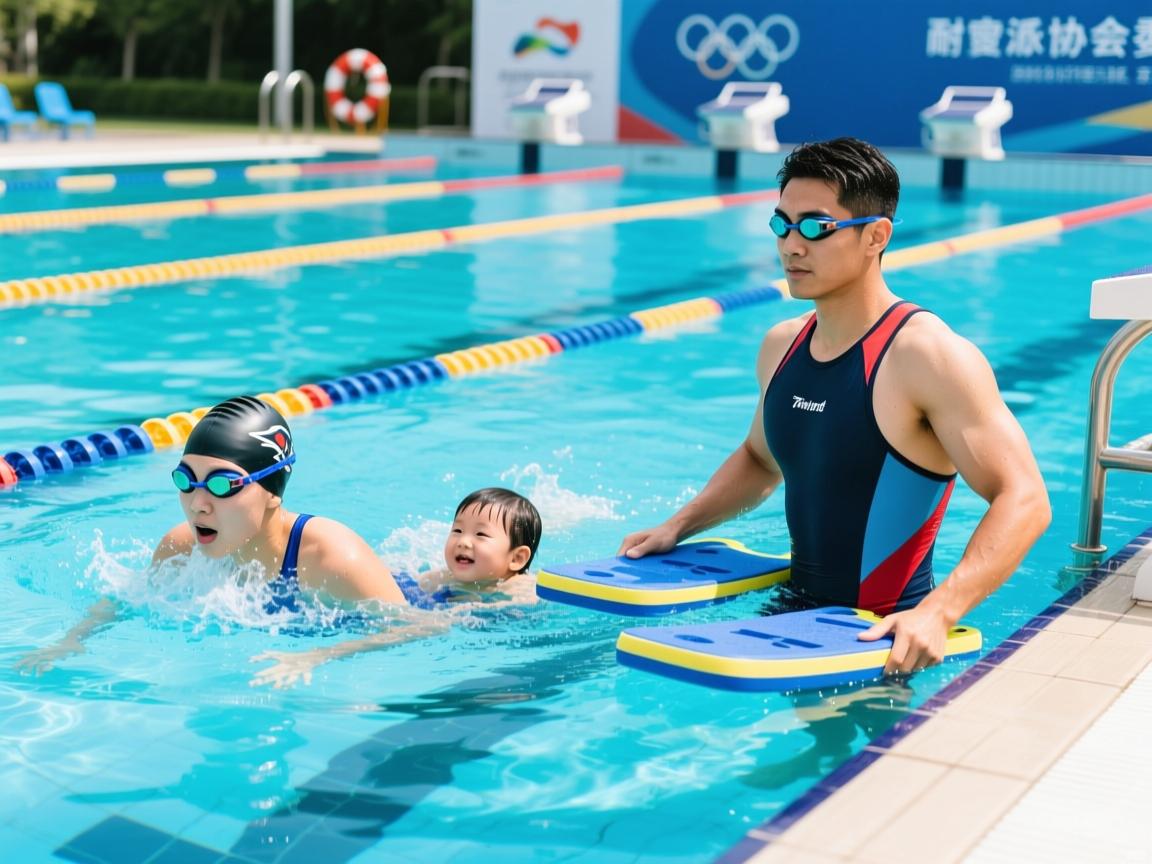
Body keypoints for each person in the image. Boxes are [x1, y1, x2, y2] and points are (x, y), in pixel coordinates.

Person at [618, 137, 1051, 677]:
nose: (791, 246)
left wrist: (938, 613)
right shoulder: (783, 343)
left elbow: (1025, 498)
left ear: (876, 237)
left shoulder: (926, 355)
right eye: (782, 224)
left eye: (816, 227)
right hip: (789, 626)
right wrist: (679, 526)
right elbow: (759, 460)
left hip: (885, 640)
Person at [16, 396, 408, 674]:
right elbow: (128, 598)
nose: (197, 503)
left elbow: (418, 626)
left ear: (271, 492)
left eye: (222, 486)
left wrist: (318, 656)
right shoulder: (181, 546)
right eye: (186, 480)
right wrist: (72, 639)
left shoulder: (331, 556)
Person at [250, 487, 543, 688]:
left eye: (480, 534)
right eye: (457, 530)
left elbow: (429, 628)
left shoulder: (522, 594)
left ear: (517, 558)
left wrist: (318, 655)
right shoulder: (441, 579)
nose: (463, 541)